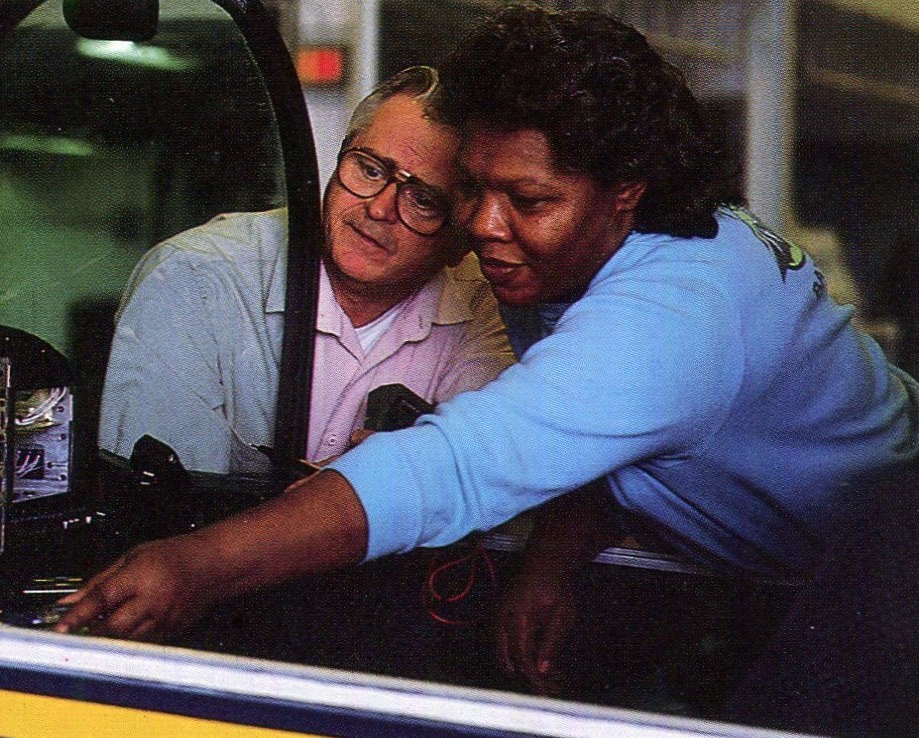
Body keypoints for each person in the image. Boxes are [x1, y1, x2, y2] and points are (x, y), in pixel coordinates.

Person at [58, 2, 919, 706]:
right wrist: (552, 556)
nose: (482, 226)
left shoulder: (676, 314)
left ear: (625, 191)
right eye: (473, 187)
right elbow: (622, 439)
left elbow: (458, 466)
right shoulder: (602, 253)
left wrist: (202, 564)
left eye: (528, 199)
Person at [99, 66, 513, 474]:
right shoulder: (195, 278)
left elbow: (478, 490)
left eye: (423, 200)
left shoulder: (488, 306)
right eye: (369, 169)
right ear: (336, 159)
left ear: (462, 241)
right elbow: (165, 510)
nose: (379, 209)